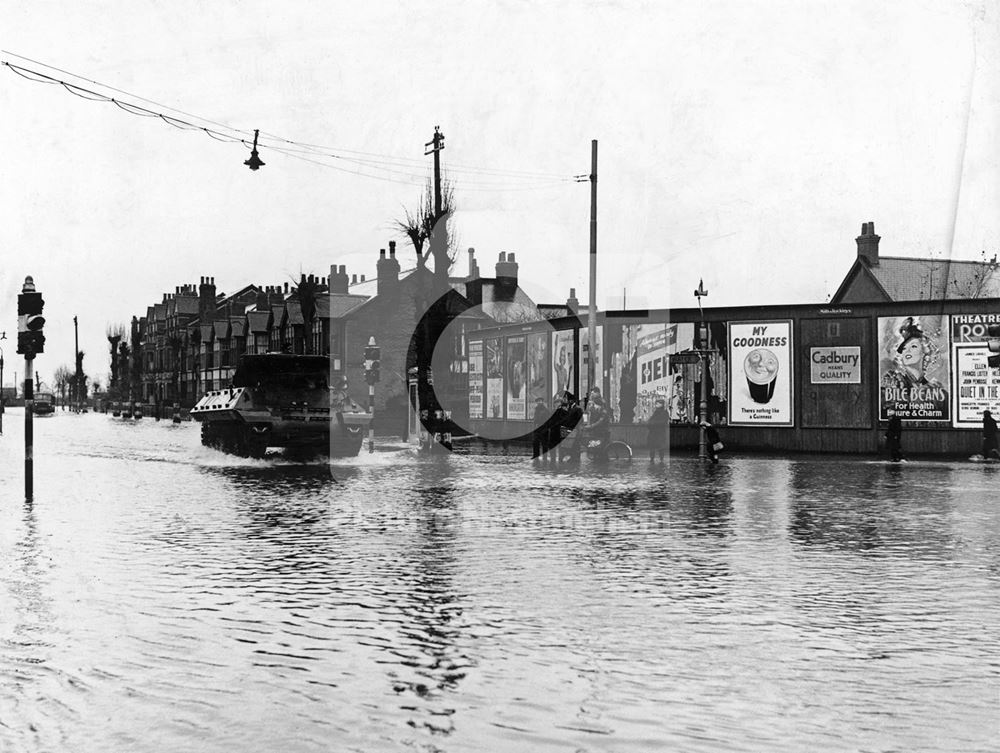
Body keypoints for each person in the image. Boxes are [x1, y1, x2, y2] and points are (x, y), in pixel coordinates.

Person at [646, 398, 669, 463]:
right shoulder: (656, 412)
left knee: (660, 447)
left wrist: (653, 424)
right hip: (653, 433)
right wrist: (651, 424)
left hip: (659, 433)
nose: (656, 404)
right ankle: (652, 459)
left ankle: (661, 460)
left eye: (658, 403)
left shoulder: (664, 412)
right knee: (652, 447)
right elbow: (650, 421)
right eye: (656, 403)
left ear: (661, 404)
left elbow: (662, 422)